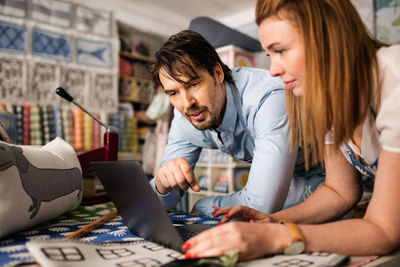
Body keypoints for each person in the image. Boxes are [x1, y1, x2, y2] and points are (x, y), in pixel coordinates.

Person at [182, 0, 400, 261]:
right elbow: (340, 191)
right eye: (269, 55)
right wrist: (272, 221)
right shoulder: (331, 103)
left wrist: (277, 237)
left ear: (327, 37)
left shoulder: (394, 79)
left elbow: (383, 230)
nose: (273, 71)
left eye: (281, 50)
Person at [149, 29, 300, 216]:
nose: (187, 103)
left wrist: (203, 205)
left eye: (194, 84)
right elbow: (158, 203)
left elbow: (261, 205)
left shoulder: (266, 100)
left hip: (322, 179)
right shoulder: (185, 117)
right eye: (173, 93)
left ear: (218, 73)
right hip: (282, 186)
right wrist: (162, 184)